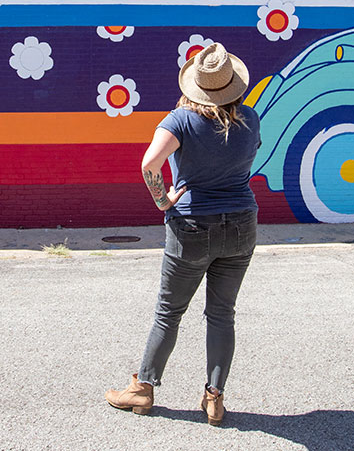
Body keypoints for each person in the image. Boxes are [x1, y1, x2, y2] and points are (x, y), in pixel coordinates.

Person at [105, 42, 261, 426]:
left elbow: (149, 164)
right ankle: (214, 398)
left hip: (193, 225)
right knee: (222, 314)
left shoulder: (180, 120)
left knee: (169, 313)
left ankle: (142, 389)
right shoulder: (251, 118)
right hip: (242, 222)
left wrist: (163, 201)